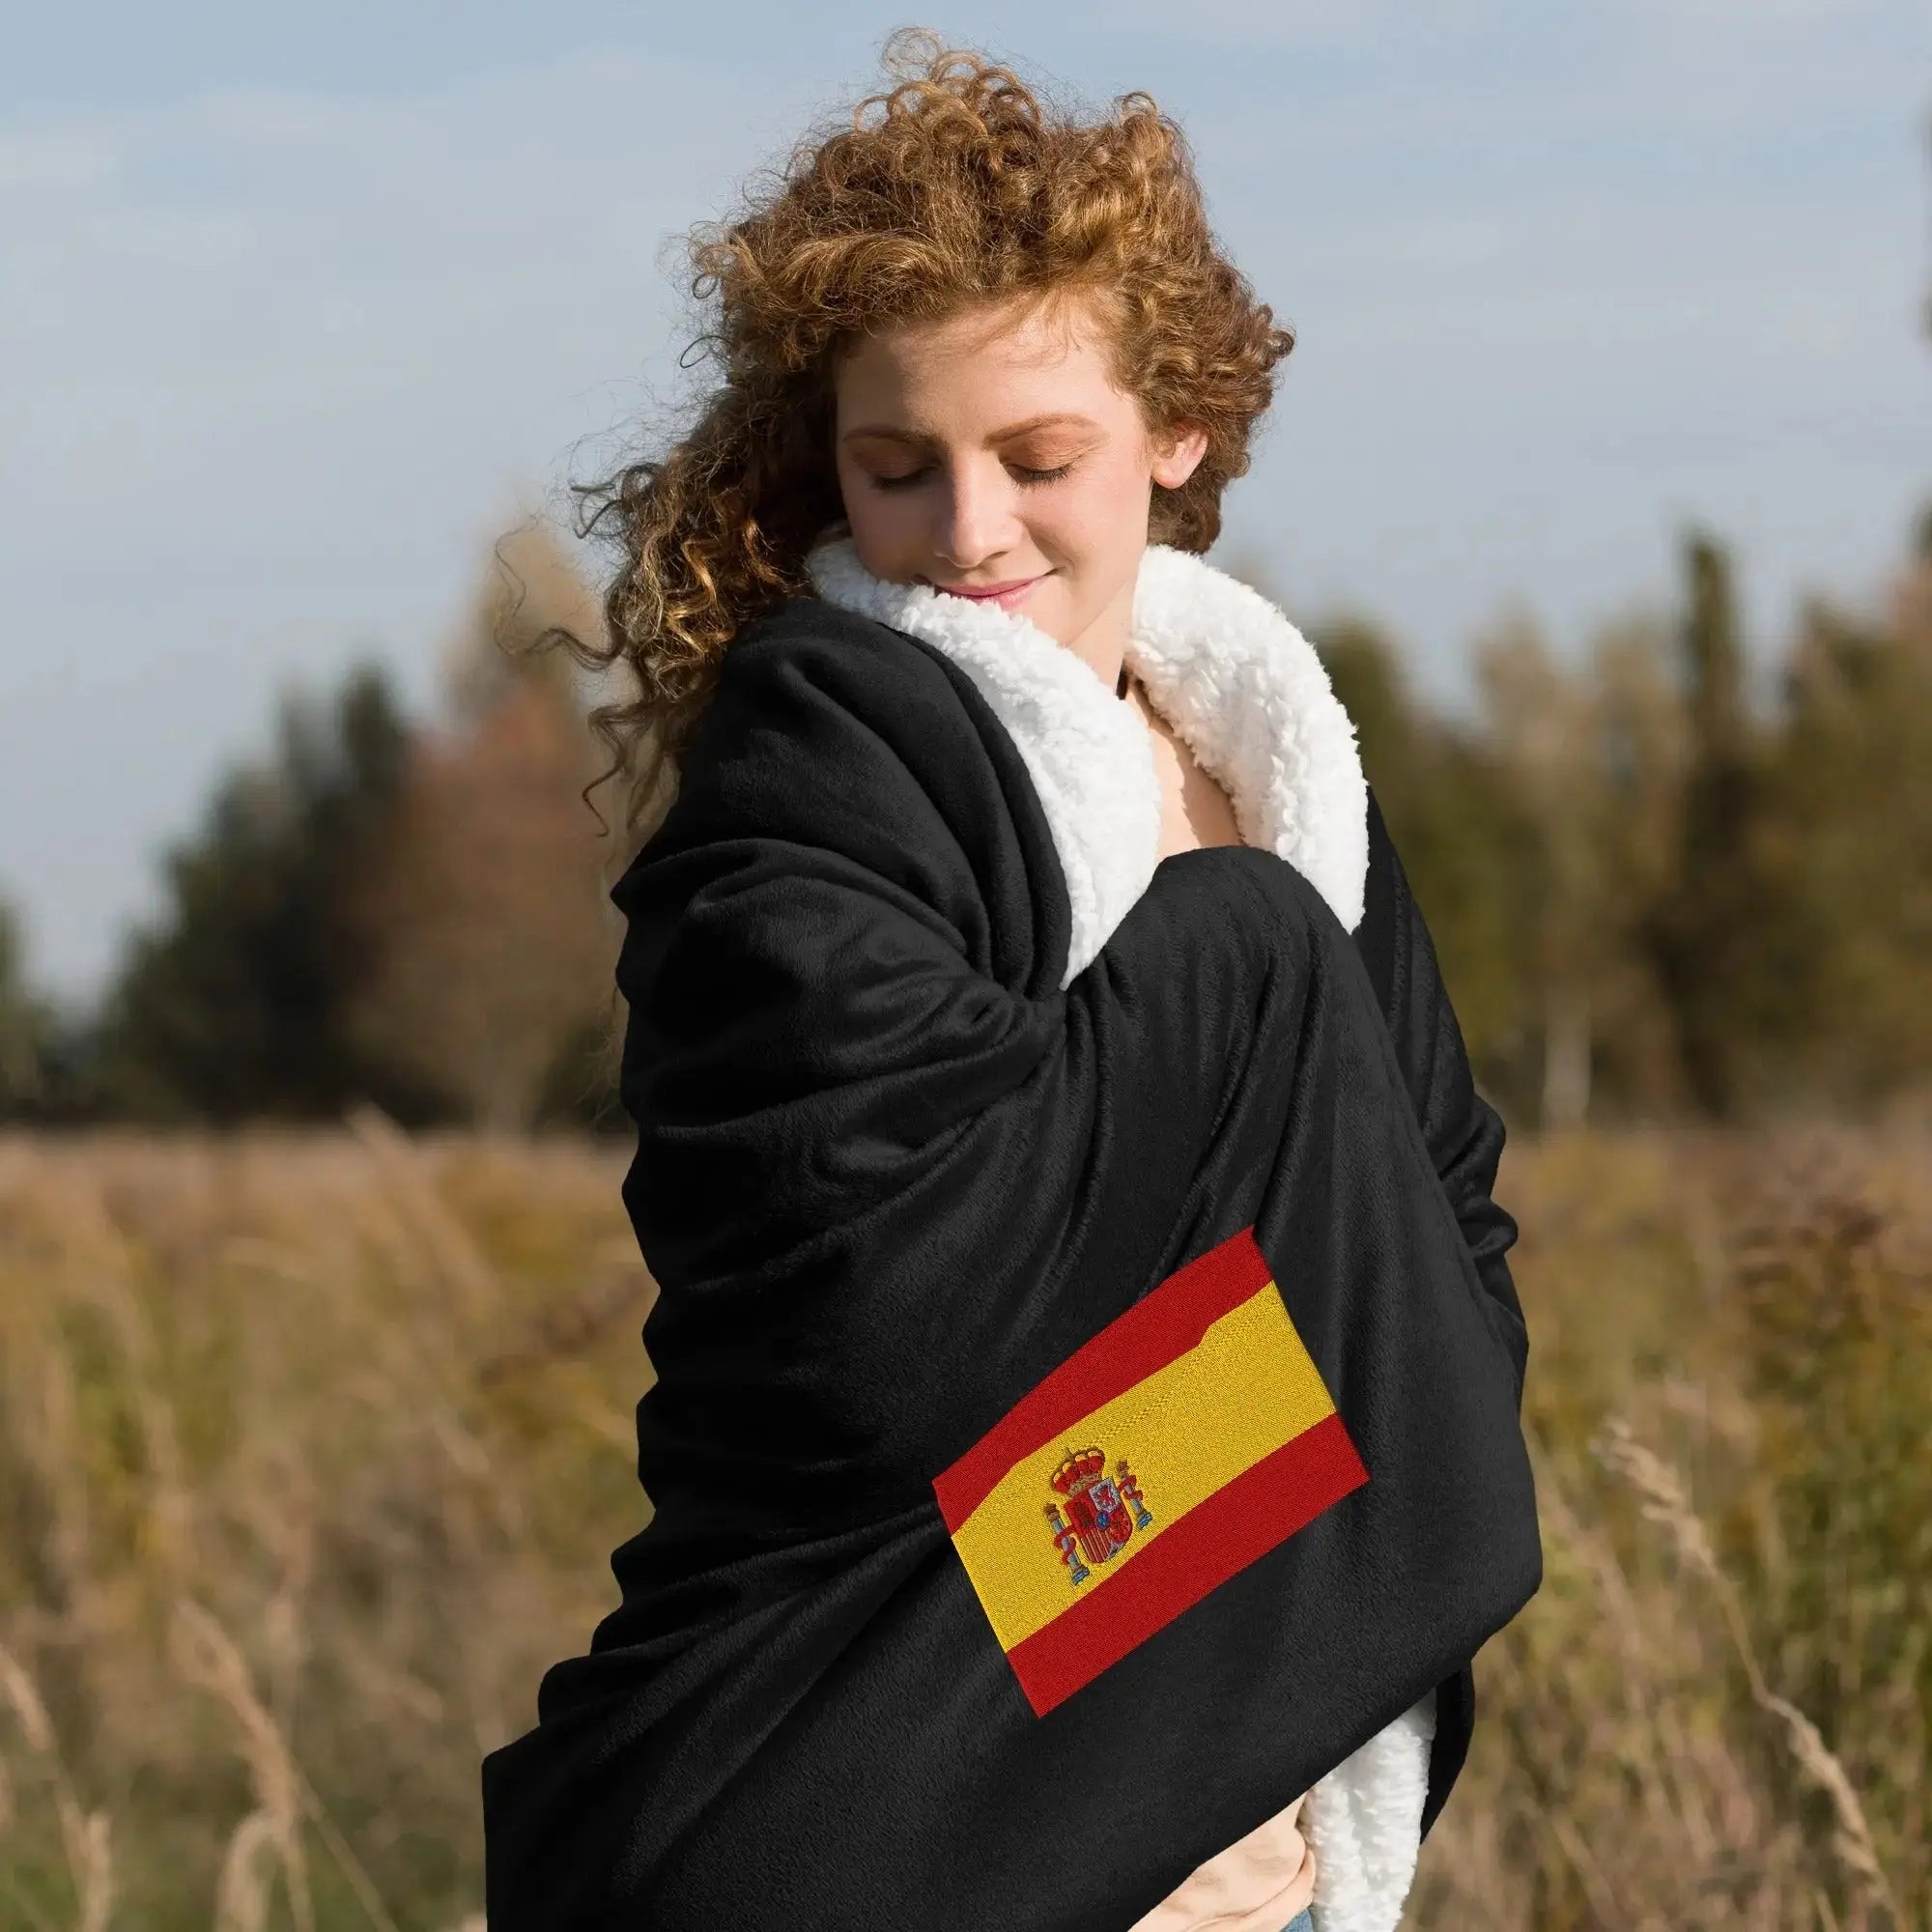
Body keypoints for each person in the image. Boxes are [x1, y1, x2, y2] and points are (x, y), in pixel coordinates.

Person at [481, 32, 1539, 1932]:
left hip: (1254, 1852)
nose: (966, 532)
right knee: (1251, 950)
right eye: (897, 469)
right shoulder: (815, 775)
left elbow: (1443, 1245)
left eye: (1036, 459)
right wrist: (1268, 1499)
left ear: (1176, 431)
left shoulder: (1281, 777)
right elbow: (877, 1332)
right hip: (886, 1803)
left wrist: (1237, 1627)